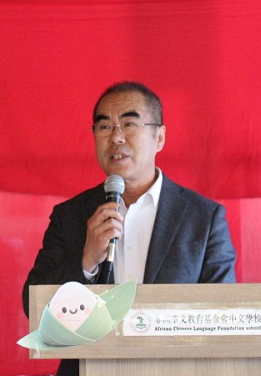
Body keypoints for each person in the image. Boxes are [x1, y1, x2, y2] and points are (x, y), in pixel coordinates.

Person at [22, 81, 237, 376]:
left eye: (129, 124)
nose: (116, 137)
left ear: (159, 137)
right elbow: (33, 307)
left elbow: (224, 316)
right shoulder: (70, 216)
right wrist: (85, 262)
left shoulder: (203, 217)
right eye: (104, 127)